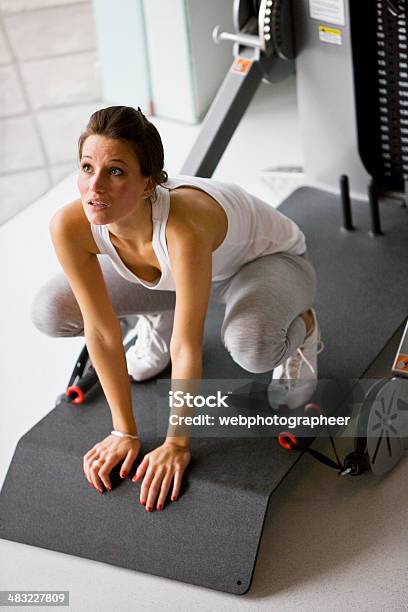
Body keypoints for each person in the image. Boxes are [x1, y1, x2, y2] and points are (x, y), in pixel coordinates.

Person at [31, 106, 323, 513]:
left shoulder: (183, 228)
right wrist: (123, 432)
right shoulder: (70, 224)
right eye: (86, 166)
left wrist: (176, 443)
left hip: (265, 264)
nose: (94, 186)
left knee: (252, 346)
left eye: (115, 171)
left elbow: (188, 345)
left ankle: (304, 328)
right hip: (174, 275)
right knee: (52, 309)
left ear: (148, 182)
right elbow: (99, 330)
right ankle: (158, 313)